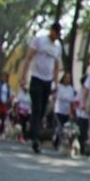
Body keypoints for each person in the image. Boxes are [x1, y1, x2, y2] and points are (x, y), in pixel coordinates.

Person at [18, 22, 62, 153]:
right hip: (36, 78)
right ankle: (35, 139)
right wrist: (24, 76)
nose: (57, 36)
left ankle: (32, 131)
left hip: (47, 82)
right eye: (56, 33)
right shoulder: (39, 40)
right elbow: (28, 58)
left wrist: (55, 83)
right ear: (52, 31)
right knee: (36, 108)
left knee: (42, 110)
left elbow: (56, 67)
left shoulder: (57, 47)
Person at [51, 72, 77, 151]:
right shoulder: (59, 86)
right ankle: (57, 142)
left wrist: (71, 110)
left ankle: (60, 142)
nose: (67, 79)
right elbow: (54, 96)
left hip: (66, 111)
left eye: (69, 78)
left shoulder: (71, 89)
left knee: (64, 128)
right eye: (66, 78)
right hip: (58, 109)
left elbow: (72, 101)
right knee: (59, 127)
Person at [0, 72, 12, 139]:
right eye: (2, 77)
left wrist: (8, 101)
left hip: (4, 104)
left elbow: (10, 96)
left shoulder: (8, 86)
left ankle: (1, 132)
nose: (4, 78)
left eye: (5, 77)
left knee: (3, 119)